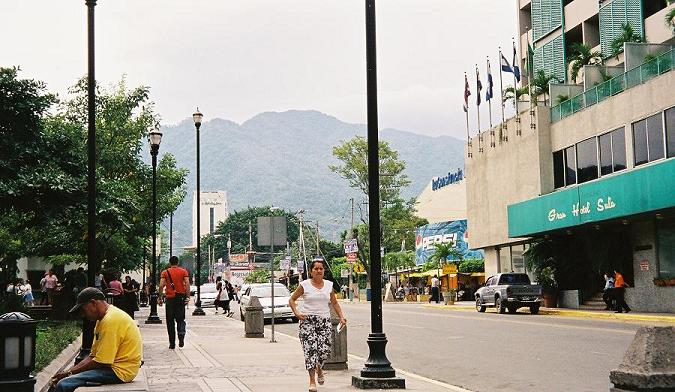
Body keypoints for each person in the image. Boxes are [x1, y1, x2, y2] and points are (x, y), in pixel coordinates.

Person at [50, 287, 142, 392]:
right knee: (64, 380)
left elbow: (102, 362)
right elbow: (92, 356)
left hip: (120, 371)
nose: (83, 315)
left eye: (84, 310)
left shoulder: (110, 321)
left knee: (64, 384)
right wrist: (69, 371)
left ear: (93, 303)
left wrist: (69, 373)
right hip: (115, 368)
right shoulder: (103, 319)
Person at [289, 259, 347, 392]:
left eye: (321, 269)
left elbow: (334, 303)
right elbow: (292, 299)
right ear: (311, 271)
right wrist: (297, 313)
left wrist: (341, 317)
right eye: (316, 269)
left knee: (324, 350)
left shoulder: (329, 285)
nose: (319, 271)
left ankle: (319, 368)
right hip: (307, 321)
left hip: (324, 322)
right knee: (310, 351)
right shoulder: (304, 285)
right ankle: (312, 381)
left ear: (324, 271)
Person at [158, 255, 190, 349]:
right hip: (180, 298)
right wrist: (187, 296)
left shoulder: (165, 272)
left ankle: (172, 343)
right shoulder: (183, 271)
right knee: (180, 319)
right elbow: (187, 283)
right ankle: (181, 335)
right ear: (178, 262)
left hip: (170, 299)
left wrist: (160, 297)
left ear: (169, 262)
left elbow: (160, 286)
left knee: (170, 321)